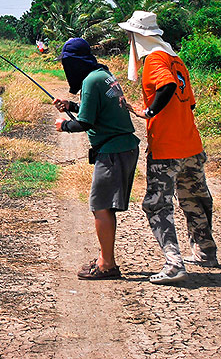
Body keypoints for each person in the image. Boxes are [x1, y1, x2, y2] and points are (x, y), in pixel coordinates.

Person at [119, 11, 218, 284]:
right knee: (194, 198)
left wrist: (150, 112)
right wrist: (143, 110)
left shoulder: (154, 60)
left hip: (167, 150)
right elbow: (189, 102)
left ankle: (174, 263)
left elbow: (167, 86)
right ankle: (206, 252)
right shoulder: (176, 59)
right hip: (191, 145)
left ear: (138, 37)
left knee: (157, 205)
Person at [52, 38, 140, 280]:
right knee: (104, 207)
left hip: (113, 151)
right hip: (123, 147)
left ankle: (107, 265)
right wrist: (71, 104)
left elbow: (86, 122)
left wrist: (65, 125)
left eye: (67, 63)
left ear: (75, 62)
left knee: (100, 207)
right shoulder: (103, 75)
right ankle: (105, 257)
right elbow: (96, 108)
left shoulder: (91, 81)